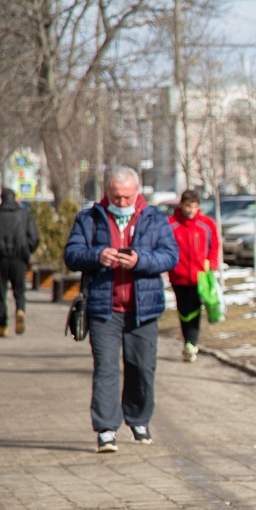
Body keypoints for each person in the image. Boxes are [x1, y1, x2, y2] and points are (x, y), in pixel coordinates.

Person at [64, 167, 179, 453]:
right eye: (117, 196)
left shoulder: (155, 218)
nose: (123, 201)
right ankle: (106, 429)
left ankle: (139, 419)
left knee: (141, 367)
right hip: (104, 308)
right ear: (107, 192)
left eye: (127, 196)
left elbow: (170, 255)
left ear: (137, 192)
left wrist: (140, 260)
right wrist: (97, 255)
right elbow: (72, 254)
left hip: (144, 309)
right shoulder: (89, 218)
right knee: (105, 369)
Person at [167, 190, 220, 362]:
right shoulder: (171, 224)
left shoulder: (206, 224)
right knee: (184, 309)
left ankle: (191, 343)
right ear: (181, 205)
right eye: (188, 206)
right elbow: (166, 247)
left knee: (196, 307)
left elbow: (214, 245)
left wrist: (211, 262)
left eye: (195, 207)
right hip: (179, 275)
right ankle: (187, 341)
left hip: (200, 275)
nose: (191, 210)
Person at [0, 188, 40, 337]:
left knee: (1, 293)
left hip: (0, 258)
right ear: (15, 198)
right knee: (19, 290)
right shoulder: (24, 214)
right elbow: (34, 237)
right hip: (19, 258)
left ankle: (3, 326)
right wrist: (27, 250)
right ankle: (20, 310)